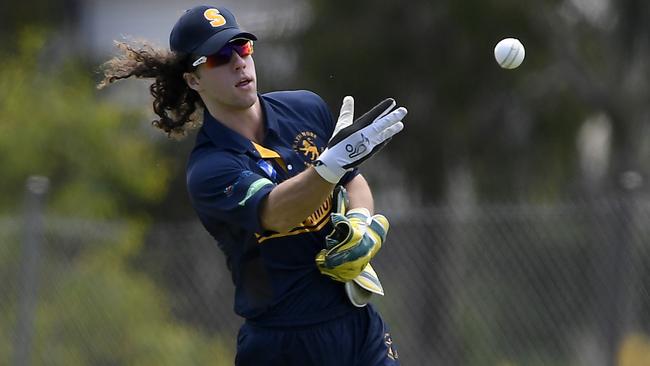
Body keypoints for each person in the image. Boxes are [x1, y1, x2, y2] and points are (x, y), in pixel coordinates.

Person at [99, 5, 407, 365]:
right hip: (284, 343)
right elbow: (277, 212)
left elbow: (354, 183)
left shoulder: (305, 108)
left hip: (357, 324)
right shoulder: (210, 168)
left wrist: (360, 223)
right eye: (218, 58)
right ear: (192, 80)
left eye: (243, 48)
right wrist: (331, 165)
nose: (238, 63)